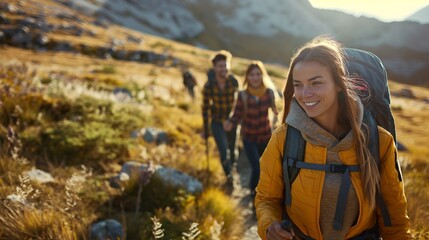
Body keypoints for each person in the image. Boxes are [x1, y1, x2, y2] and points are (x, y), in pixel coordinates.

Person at [255, 36, 411, 240]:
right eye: (298, 85)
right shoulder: (283, 138)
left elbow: (395, 222)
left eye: (316, 83)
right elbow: (267, 198)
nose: (305, 94)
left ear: (339, 84)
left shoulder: (379, 141)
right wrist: (269, 226)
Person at [223, 61, 278, 199]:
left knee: (266, 167)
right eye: (252, 75)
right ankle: (254, 193)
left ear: (262, 75)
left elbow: (276, 111)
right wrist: (230, 122)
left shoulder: (269, 93)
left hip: (265, 136)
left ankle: (265, 192)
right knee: (257, 166)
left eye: (258, 74)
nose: (255, 77)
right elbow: (237, 114)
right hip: (249, 138)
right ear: (247, 77)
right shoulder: (243, 95)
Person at [202, 50, 239, 189]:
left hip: (233, 120)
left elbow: (239, 104)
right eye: (220, 66)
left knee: (233, 149)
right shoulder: (209, 86)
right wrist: (206, 130)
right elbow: (205, 108)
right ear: (214, 67)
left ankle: (233, 168)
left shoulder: (234, 82)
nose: (223, 69)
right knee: (224, 151)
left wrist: (232, 120)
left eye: (225, 65)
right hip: (217, 121)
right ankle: (229, 176)